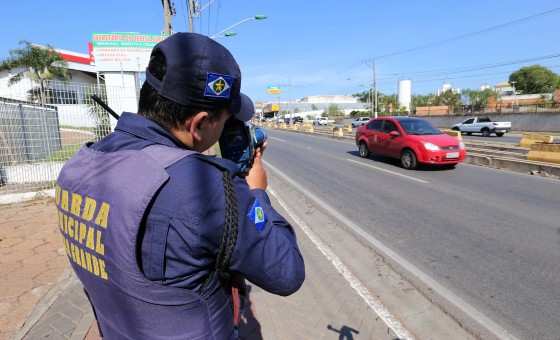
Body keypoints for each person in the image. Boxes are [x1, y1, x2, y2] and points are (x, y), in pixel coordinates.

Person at [54, 32, 305, 339]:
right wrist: (256, 193)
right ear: (199, 124)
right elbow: (286, 273)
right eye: (226, 121)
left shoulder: (79, 165)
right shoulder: (206, 187)